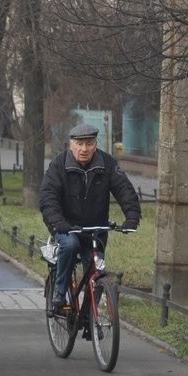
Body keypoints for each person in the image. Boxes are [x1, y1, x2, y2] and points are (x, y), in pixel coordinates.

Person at [39, 122, 141, 314]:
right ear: (71, 145)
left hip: (96, 229)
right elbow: (47, 197)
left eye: (89, 144)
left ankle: (88, 316)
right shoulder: (59, 165)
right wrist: (58, 222)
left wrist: (132, 217)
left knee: (97, 271)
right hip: (66, 226)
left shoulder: (107, 163)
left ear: (95, 144)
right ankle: (59, 293)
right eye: (80, 144)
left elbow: (124, 190)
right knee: (70, 246)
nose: (84, 149)